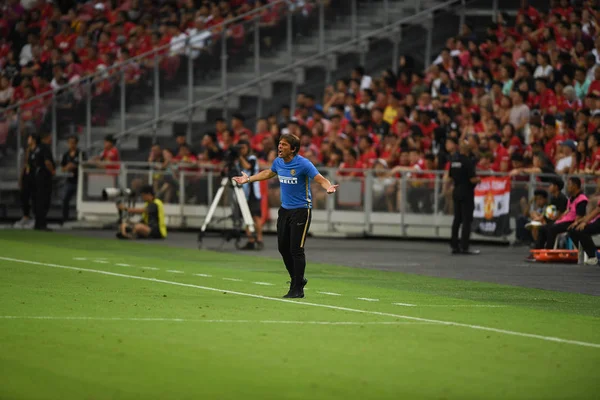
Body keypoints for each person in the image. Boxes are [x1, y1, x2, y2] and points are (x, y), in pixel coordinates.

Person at [233, 133, 338, 298]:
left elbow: (319, 178)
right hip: (285, 210)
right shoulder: (278, 162)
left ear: (293, 149)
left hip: (301, 210)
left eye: (284, 145)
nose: (279, 147)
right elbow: (269, 173)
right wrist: (249, 179)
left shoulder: (303, 164)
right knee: (283, 247)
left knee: (296, 249)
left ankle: (297, 288)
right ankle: (298, 279)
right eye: (279, 144)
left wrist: (328, 186)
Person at [446, 139, 481, 255]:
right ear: (468, 150)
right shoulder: (467, 162)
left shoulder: (453, 161)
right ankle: (464, 246)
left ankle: (454, 245)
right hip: (466, 192)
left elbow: (449, 178)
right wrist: (479, 180)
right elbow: (472, 179)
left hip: (456, 190)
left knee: (457, 219)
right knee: (466, 220)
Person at [542, 177, 587, 249]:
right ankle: (539, 249)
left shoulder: (582, 199)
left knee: (552, 228)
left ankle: (548, 250)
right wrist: (559, 219)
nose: (567, 187)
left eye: (569, 184)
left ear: (575, 185)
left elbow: (580, 216)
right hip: (565, 221)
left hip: (572, 222)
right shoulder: (571, 198)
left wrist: (575, 223)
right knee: (544, 228)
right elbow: (567, 211)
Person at [236, 140, 264, 250]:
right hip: (245, 192)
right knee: (246, 216)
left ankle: (259, 239)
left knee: (256, 216)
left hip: (253, 192)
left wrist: (239, 157)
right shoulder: (238, 160)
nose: (242, 150)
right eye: (240, 148)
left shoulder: (252, 158)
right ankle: (251, 240)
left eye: (243, 148)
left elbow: (248, 167)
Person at [14, 133, 38, 228]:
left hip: (34, 176)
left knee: (35, 198)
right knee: (24, 196)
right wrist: (21, 178)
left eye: (30, 138)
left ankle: (36, 217)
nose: (28, 140)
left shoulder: (37, 151)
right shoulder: (27, 151)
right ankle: (26, 216)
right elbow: (25, 165)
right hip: (26, 176)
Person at [33, 133, 55, 231]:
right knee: (44, 200)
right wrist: (52, 171)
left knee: (38, 200)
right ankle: (42, 224)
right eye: (50, 137)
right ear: (46, 137)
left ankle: (38, 223)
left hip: (37, 175)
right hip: (44, 175)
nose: (51, 139)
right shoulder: (45, 147)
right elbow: (47, 162)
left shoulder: (37, 148)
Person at [60, 135, 85, 224]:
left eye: (73, 143)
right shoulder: (66, 155)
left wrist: (76, 166)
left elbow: (85, 165)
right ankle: (65, 218)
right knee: (65, 198)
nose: (72, 145)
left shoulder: (81, 153)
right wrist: (67, 167)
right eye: (70, 143)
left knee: (81, 199)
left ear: (76, 143)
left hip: (80, 181)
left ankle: (80, 217)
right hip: (70, 181)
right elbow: (62, 168)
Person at [568, 198, 600, 266]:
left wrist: (585, 222)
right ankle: (586, 253)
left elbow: (598, 210)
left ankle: (593, 257)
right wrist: (580, 221)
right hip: (597, 219)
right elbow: (596, 211)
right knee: (572, 230)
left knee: (582, 230)